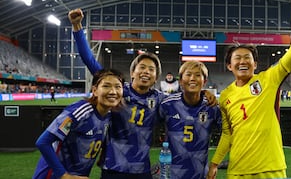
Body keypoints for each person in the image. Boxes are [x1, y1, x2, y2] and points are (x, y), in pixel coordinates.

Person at [68, 9, 217, 179]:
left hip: (142, 171)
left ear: (156, 77)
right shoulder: (118, 90)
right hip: (114, 167)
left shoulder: (160, 99)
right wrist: (77, 26)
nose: (146, 72)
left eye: (151, 69)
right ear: (132, 73)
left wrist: (203, 91)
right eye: (142, 68)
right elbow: (91, 62)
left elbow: (184, 100)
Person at [207, 0, 291, 179]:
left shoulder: (269, 79)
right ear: (229, 66)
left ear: (255, 64)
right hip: (237, 172)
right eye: (237, 58)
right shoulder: (225, 96)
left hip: (270, 169)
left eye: (247, 58)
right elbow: (227, 134)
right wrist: (215, 163)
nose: (242, 61)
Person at [32, 69, 125, 179]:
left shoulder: (109, 115)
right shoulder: (79, 112)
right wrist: (64, 176)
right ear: (95, 90)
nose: (113, 92)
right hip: (52, 176)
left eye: (118, 87)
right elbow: (43, 142)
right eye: (106, 86)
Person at [159, 61, 221, 179]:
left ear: (205, 81)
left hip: (201, 173)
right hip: (171, 174)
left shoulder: (211, 107)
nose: (193, 78)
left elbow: (227, 133)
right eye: (188, 75)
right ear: (181, 81)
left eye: (198, 75)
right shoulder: (168, 104)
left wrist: (215, 164)